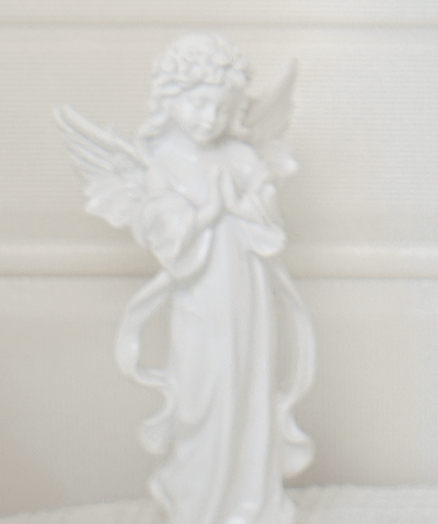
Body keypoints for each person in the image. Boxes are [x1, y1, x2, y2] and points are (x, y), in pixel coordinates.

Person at [59, 34, 315, 524]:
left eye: (221, 109)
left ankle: (251, 501)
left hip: (248, 293)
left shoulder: (242, 157)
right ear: (169, 102)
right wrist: (204, 216)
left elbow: (269, 223)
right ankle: (196, 501)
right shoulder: (164, 164)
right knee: (204, 390)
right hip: (200, 295)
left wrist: (243, 207)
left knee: (248, 383)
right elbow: (163, 232)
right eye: (198, 106)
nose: (209, 119)